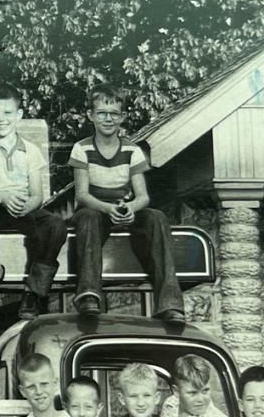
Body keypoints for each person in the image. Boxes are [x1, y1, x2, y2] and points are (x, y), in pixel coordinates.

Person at [68, 86, 183, 321]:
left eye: (114, 113)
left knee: (157, 217)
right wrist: (107, 208)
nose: (108, 119)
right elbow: (82, 195)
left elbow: (143, 196)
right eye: (101, 113)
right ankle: (89, 294)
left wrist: (131, 208)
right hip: (94, 208)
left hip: (122, 206)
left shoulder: (132, 150)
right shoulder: (82, 148)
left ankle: (169, 302)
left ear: (121, 117)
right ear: (91, 115)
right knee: (88, 217)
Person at [0, 83, 68, 320]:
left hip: (22, 209)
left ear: (19, 115)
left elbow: (37, 195)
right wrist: (2, 197)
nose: (1, 119)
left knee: (55, 226)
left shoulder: (30, 150)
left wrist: (26, 206)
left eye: (8, 113)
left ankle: (33, 291)